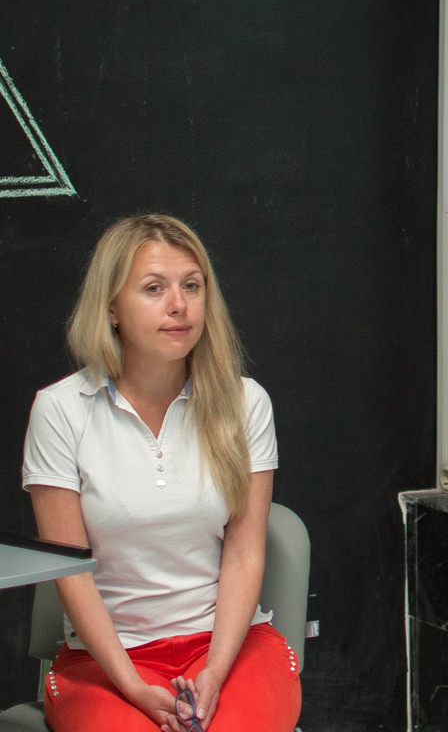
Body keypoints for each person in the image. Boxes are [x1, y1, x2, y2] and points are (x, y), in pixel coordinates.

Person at [22, 215, 301, 732]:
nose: (179, 305)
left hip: (228, 647)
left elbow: (245, 554)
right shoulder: (60, 411)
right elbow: (70, 573)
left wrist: (215, 672)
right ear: (111, 308)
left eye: (191, 286)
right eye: (154, 288)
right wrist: (132, 686)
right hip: (108, 661)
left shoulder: (246, 402)